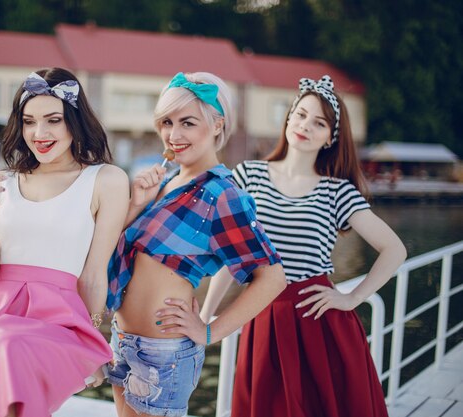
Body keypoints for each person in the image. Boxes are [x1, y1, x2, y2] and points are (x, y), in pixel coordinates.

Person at [200, 75, 407, 417]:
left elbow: (394, 249)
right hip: (263, 311)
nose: (305, 126)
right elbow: (232, 256)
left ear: (330, 138)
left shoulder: (337, 192)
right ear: (288, 117)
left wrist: (351, 297)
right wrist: (206, 316)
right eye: (300, 115)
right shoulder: (248, 176)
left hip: (318, 317)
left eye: (319, 122)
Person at [0, 68, 129, 417]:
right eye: (29, 121)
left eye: (53, 120)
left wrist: (92, 335)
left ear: (74, 121)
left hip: (54, 322)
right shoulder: (2, 181)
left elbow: (94, 275)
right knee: (3, 348)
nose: (39, 133)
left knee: (8, 346)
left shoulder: (106, 180)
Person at [105, 71, 286, 417]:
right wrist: (135, 205)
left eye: (187, 123)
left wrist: (208, 331)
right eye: (167, 122)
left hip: (163, 353)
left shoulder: (222, 194)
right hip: (124, 340)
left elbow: (272, 278)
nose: (174, 135)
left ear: (217, 125)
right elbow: (119, 253)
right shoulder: (166, 184)